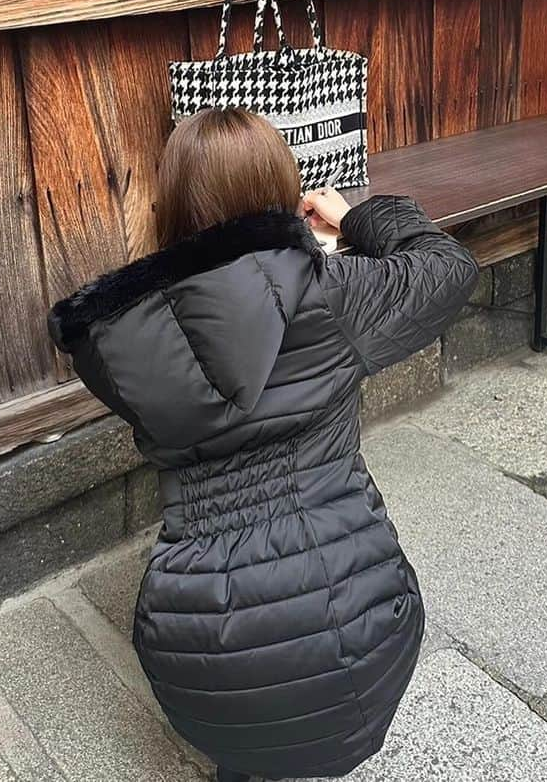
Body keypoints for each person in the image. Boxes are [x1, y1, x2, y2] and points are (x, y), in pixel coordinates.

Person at [47, 108, 479, 782]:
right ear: (284, 188)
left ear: (171, 202)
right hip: (362, 639)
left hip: (199, 664)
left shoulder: (116, 342)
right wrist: (357, 218)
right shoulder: (337, 294)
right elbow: (449, 268)